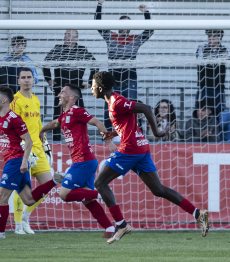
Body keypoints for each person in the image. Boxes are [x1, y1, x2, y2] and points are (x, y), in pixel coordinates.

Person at [90, 71, 210, 244]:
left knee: (100, 183)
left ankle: (121, 224)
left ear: (100, 88)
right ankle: (198, 214)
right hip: (141, 147)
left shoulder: (116, 102)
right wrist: (113, 132)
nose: (92, 88)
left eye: (93, 85)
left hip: (130, 149)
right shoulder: (115, 101)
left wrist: (155, 131)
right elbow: (127, 123)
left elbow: (145, 108)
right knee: (158, 189)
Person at [0, 86, 61, 239]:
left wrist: (24, 161)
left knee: (1, 197)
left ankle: (0, 233)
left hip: (16, 161)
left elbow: (29, 140)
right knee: (28, 199)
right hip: (13, 161)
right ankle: (55, 181)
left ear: (4, 100)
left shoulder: (14, 119)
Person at [39, 84, 118, 238]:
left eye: (62, 92)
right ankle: (109, 228)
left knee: (64, 194)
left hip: (83, 161)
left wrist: (109, 142)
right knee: (87, 200)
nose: (59, 95)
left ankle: (101, 193)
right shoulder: (64, 115)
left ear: (71, 97)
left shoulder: (77, 111)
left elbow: (98, 123)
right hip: (84, 161)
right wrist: (43, 129)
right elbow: (56, 123)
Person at [8, 68, 57, 235]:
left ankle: (26, 217)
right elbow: (12, 126)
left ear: (34, 80)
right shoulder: (15, 100)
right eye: (23, 77)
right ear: (18, 81)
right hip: (24, 148)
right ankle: (17, 226)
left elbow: (37, 123)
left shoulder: (36, 99)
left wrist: (46, 145)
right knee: (23, 186)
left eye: (29, 77)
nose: (27, 80)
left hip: (38, 147)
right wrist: (21, 146)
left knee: (47, 184)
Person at [95, 0, 154, 132]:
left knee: (130, 108)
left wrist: (146, 12)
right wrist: (99, 4)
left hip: (130, 79)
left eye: (128, 24)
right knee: (110, 108)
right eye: (122, 23)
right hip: (112, 80)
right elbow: (97, 24)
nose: (124, 27)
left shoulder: (135, 39)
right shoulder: (111, 36)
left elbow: (150, 30)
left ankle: (130, 134)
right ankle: (109, 134)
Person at [43, 30, 98, 141]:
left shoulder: (82, 50)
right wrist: (49, 80)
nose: (66, 36)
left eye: (69, 34)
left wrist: (90, 82)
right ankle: (56, 139)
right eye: (65, 34)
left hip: (75, 88)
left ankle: (80, 137)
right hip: (60, 87)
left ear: (76, 38)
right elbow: (45, 64)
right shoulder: (58, 48)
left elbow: (95, 65)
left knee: (79, 113)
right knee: (58, 113)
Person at [196, 29, 230, 120]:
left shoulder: (225, 49)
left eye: (213, 36)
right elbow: (200, 61)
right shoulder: (202, 48)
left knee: (219, 111)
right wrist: (218, 59)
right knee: (203, 111)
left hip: (219, 87)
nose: (210, 38)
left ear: (219, 37)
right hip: (204, 86)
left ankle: (218, 132)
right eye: (209, 36)